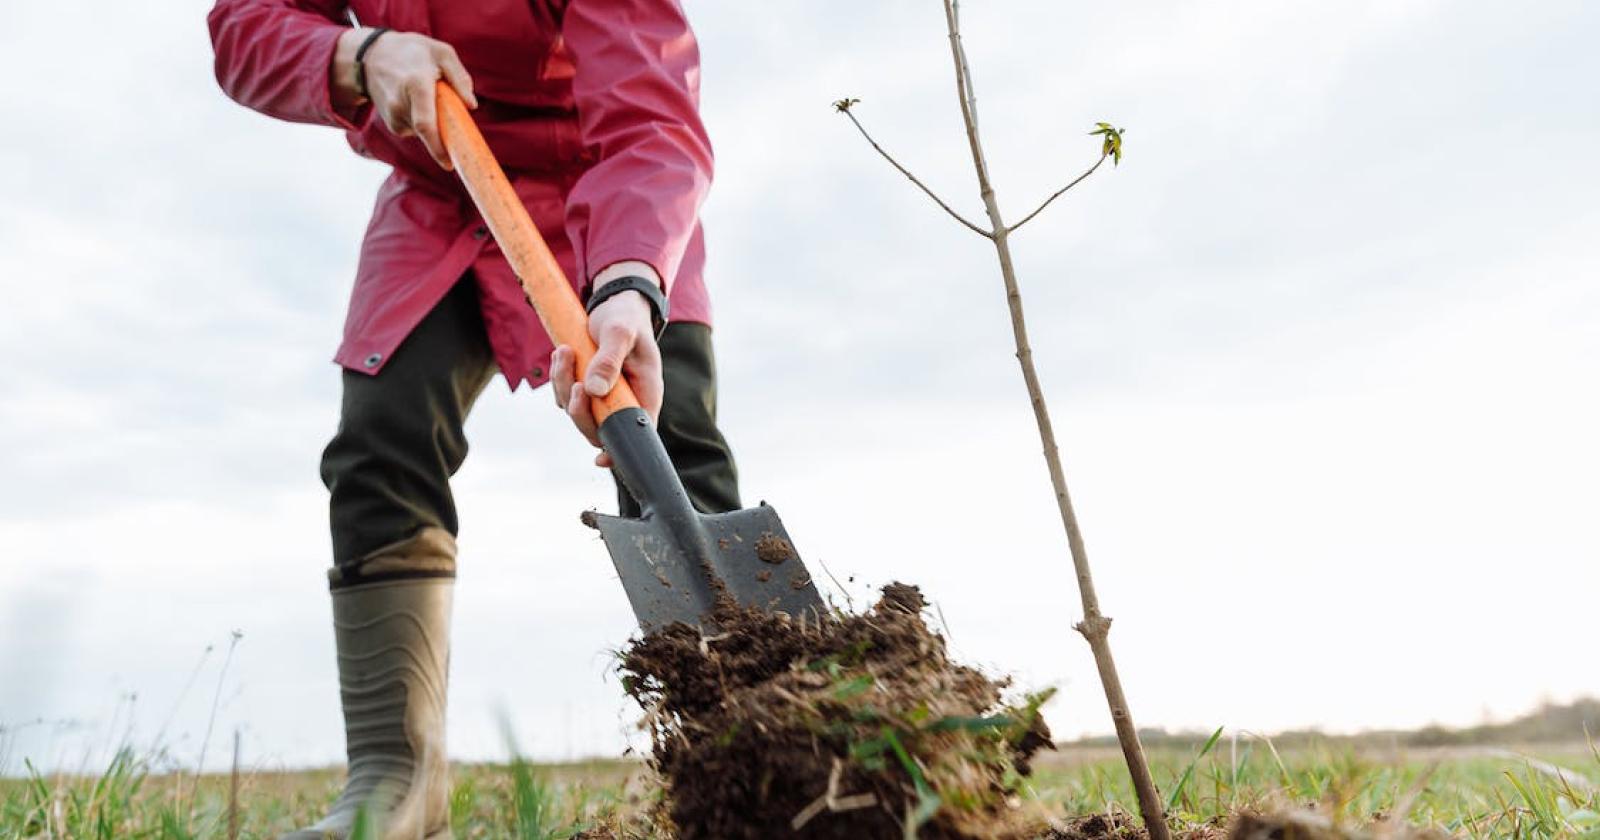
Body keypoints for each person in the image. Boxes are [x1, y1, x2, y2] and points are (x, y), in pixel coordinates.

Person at [206, 2, 736, 837]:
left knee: (672, 450)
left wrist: (633, 276)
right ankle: (396, 787)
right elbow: (244, 29)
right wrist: (358, 52)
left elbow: (647, 112)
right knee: (380, 439)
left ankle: (744, 756)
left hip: (603, 190)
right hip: (438, 188)